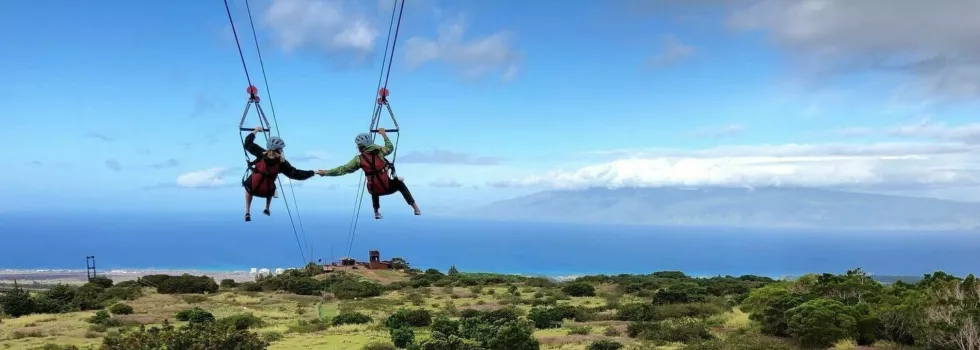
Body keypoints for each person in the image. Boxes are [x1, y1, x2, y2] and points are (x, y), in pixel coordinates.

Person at [316, 128, 420, 219]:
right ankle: (416, 208)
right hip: (388, 187)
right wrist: (383, 134)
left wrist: (325, 172)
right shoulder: (380, 152)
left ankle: (376, 212)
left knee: (373, 184)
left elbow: (342, 169)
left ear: (361, 147)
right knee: (400, 184)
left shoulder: (359, 160)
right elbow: (390, 147)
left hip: (374, 190)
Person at [242, 126, 315, 222]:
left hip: (252, 188)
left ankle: (247, 211)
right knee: (272, 186)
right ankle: (267, 208)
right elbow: (296, 174)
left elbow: (247, 144)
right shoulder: (281, 163)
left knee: (248, 187)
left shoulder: (261, 153)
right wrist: (313, 172)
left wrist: (255, 131)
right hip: (267, 192)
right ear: (278, 149)